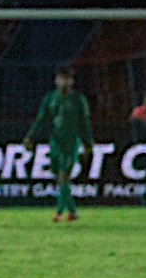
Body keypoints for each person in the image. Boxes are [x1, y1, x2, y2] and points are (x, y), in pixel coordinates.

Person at [22, 66, 94, 222]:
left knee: (63, 176)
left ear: (72, 81)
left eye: (67, 79)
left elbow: (84, 122)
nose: (64, 82)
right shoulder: (50, 99)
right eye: (61, 79)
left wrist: (87, 142)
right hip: (55, 142)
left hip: (71, 143)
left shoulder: (78, 99)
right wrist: (30, 137)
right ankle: (72, 212)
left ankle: (59, 212)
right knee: (59, 177)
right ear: (56, 81)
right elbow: (41, 119)